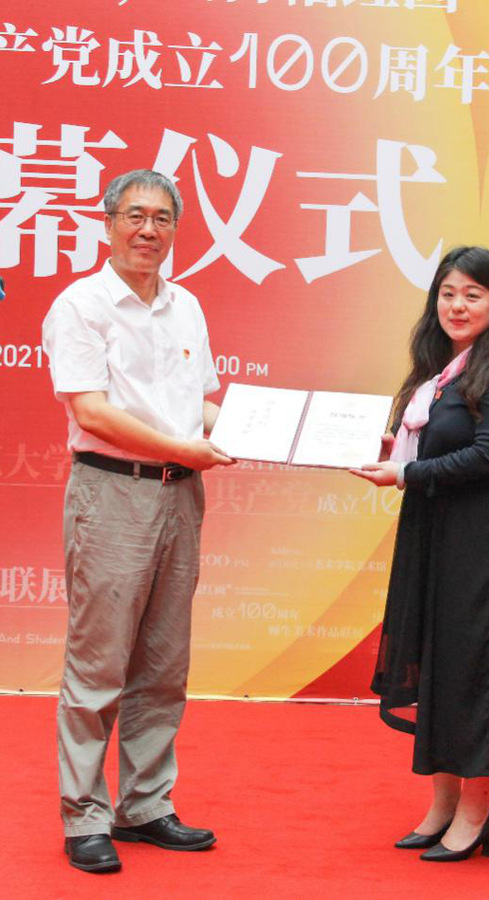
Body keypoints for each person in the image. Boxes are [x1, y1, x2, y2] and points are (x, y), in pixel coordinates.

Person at [42, 169, 234, 874]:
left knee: (163, 663)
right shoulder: (81, 305)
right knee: (98, 665)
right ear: (108, 224)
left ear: (175, 229)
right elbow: (91, 411)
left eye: (161, 218)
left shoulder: (187, 307)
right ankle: (84, 815)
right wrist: (183, 447)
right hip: (112, 493)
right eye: (134, 216)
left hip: (181, 495)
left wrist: (267, 429)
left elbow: (200, 406)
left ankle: (146, 806)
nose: (148, 230)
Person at [351, 246, 489, 862]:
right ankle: (442, 806)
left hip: (482, 541)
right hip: (433, 533)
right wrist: (395, 452)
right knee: (440, 665)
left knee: (477, 671)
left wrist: (406, 474)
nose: (457, 306)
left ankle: (475, 814)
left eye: (472, 294)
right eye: (447, 293)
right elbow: (435, 447)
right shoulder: (438, 370)